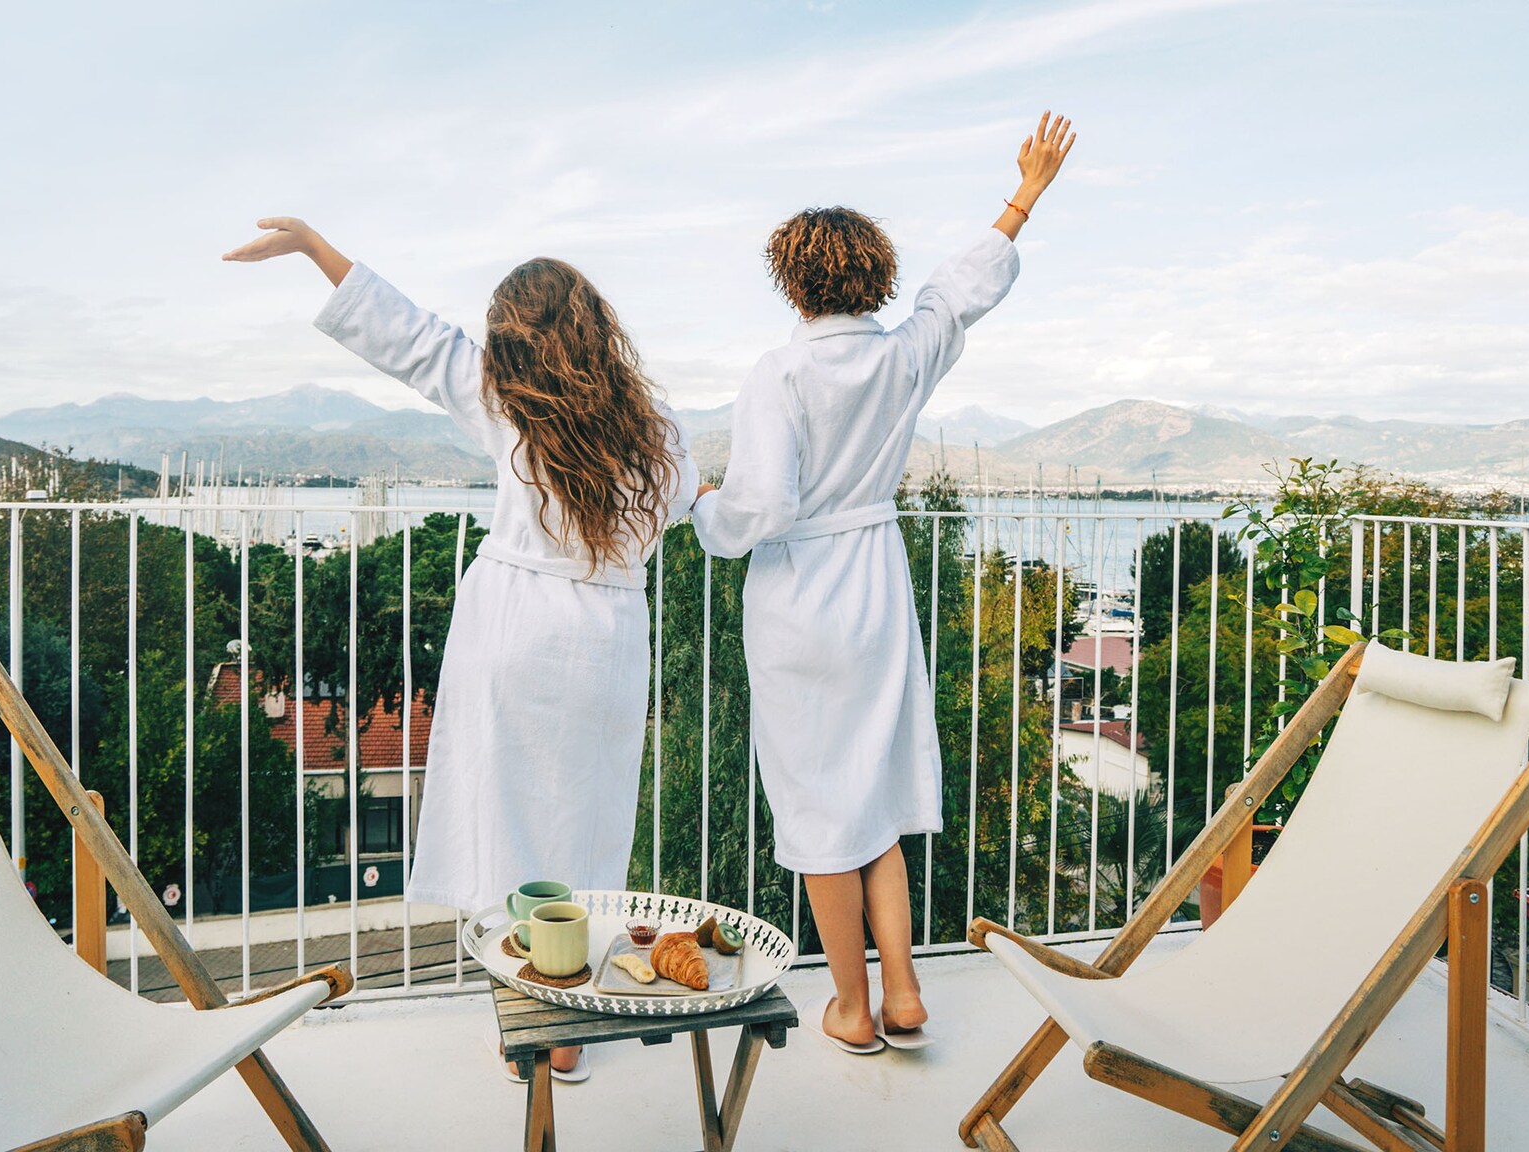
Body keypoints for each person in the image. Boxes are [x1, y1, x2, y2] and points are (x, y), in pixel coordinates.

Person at [224, 219, 698, 1079]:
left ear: (515, 336)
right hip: (607, 642)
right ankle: (569, 1038)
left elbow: (409, 338)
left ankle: (528, 1021)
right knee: (588, 829)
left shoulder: (505, 403)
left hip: (514, 628)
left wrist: (312, 248)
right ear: (596, 323)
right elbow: (669, 513)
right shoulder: (659, 427)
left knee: (506, 823)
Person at [690, 113, 1075, 1054]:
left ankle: (853, 1009)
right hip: (876, 589)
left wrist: (704, 510)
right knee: (874, 796)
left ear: (792, 279)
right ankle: (905, 995)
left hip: (800, 604)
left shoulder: (777, 373)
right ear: (875, 277)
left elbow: (759, 509)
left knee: (821, 807)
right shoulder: (904, 356)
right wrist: (1024, 194)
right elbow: (960, 292)